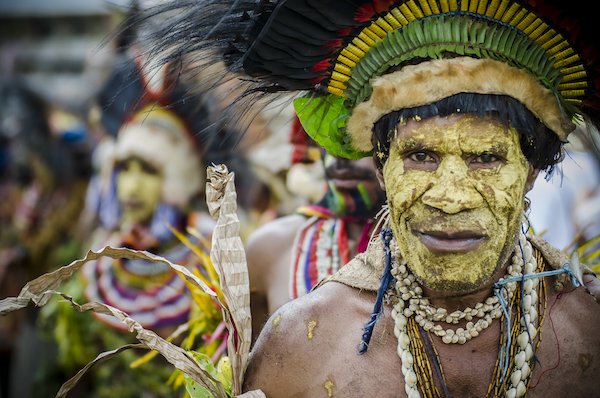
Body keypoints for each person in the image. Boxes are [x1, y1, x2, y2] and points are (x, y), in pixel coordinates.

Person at [132, 0, 600, 396]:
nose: (451, 198)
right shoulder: (299, 347)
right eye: (420, 155)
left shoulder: (591, 328)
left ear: (533, 170)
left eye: (485, 158)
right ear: (380, 165)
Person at [246, 120, 386, 339]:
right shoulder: (268, 248)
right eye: (330, 138)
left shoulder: (444, 252)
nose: (339, 155)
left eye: (362, 138)